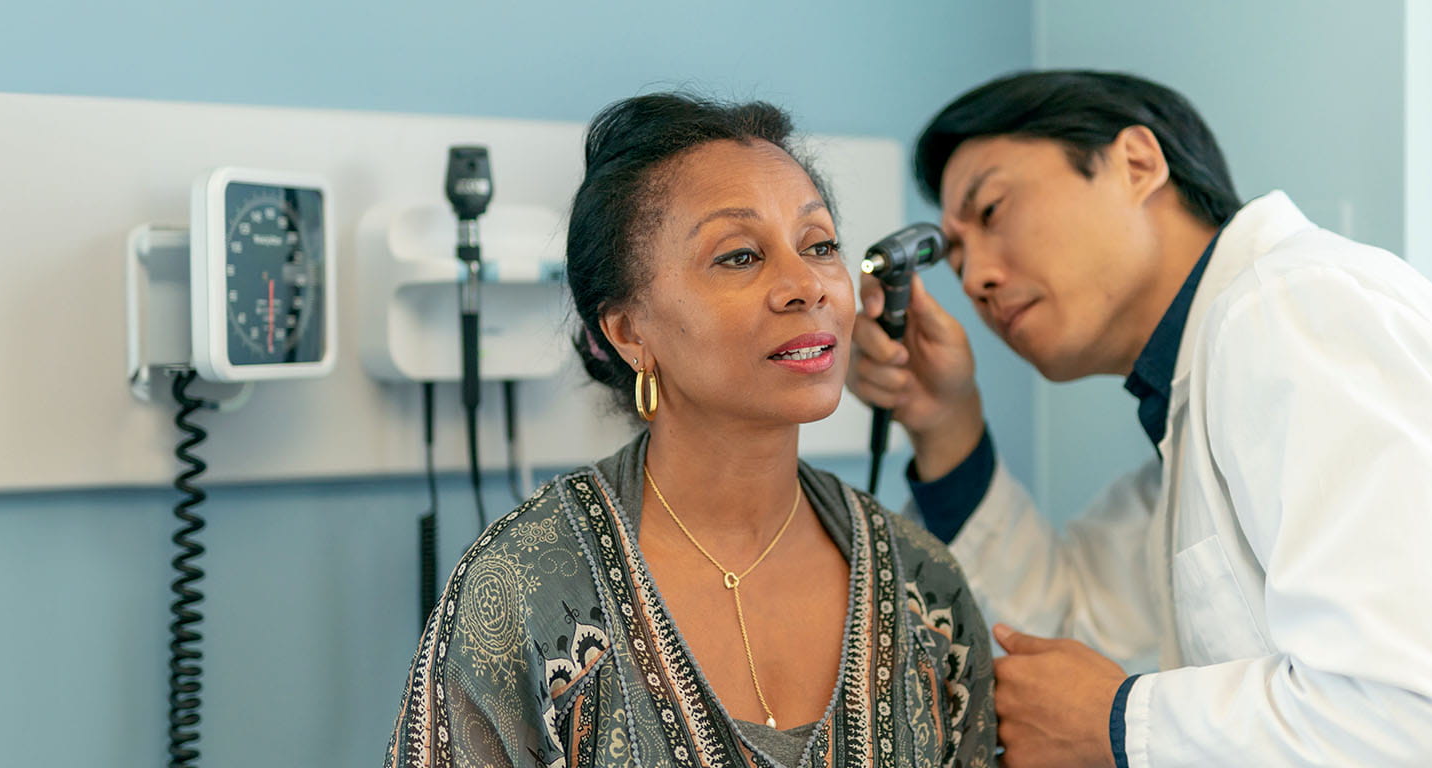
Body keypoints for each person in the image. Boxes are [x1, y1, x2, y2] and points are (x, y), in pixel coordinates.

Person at [846, 71, 1432, 767]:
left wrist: (1122, 725)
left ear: (1135, 163)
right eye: (953, 259)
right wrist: (942, 421)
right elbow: (1067, 632)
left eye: (991, 213)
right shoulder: (1198, 402)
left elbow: (1423, 714)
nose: (979, 276)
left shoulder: (1296, 313)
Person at [386, 91, 995, 768]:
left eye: (819, 245)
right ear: (627, 330)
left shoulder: (924, 592)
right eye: (738, 256)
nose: (806, 285)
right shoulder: (524, 596)